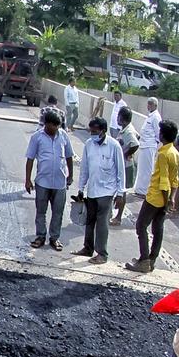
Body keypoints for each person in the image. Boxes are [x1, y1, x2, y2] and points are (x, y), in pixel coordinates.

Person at [125, 120, 179, 273]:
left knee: (141, 226)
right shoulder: (175, 154)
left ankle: (144, 260)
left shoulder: (163, 154)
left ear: (163, 135)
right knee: (158, 229)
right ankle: (152, 260)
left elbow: (163, 181)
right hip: (165, 198)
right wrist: (171, 199)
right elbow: (174, 180)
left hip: (155, 197)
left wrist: (165, 199)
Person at [73, 116, 125, 264]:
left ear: (103, 131)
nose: (92, 134)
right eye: (91, 131)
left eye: (95, 131)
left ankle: (102, 253)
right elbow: (84, 168)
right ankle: (87, 248)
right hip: (92, 190)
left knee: (102, 223)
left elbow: (120, 171)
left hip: (107, 191)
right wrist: (81, 188)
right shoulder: (89, 144)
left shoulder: (114, 146)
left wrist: (120, 193)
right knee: (89, 221)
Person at [25, 110, 74, 251]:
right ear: (46, 124)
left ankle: (54, 238)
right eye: (54, 126)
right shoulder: (37, 137)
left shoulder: (63, 136)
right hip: (42, 182)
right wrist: (28, 180)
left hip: (60, 182)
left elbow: (69, 156)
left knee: (58, 212)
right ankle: (40, 236)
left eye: (58, 126)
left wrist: (70, 175)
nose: (56, 128)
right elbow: (30, 159)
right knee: (41, 211)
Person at [110, 106, 139, 227]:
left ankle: (118, 217)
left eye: (118, 116)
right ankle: (113, 214)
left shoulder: (128, 131)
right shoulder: (125, 130)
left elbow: (136, 144)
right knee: (117, 190)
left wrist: (126, 154)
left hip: (126, 166)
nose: (117, 118)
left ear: (122, 118)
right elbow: (138, 136)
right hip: (122, 165)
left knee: (122, 192)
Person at [131, 97, 162, 197]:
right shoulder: (150, 116)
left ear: (155, 106)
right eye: (148, 104)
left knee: (148, 169)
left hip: (150, 145)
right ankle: (139, 189)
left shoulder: (156, 117)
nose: (148, 106)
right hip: (144, 145)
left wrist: (154, 144)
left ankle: (145, 191)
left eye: (150, 104)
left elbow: (158, 133)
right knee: (141, 168)